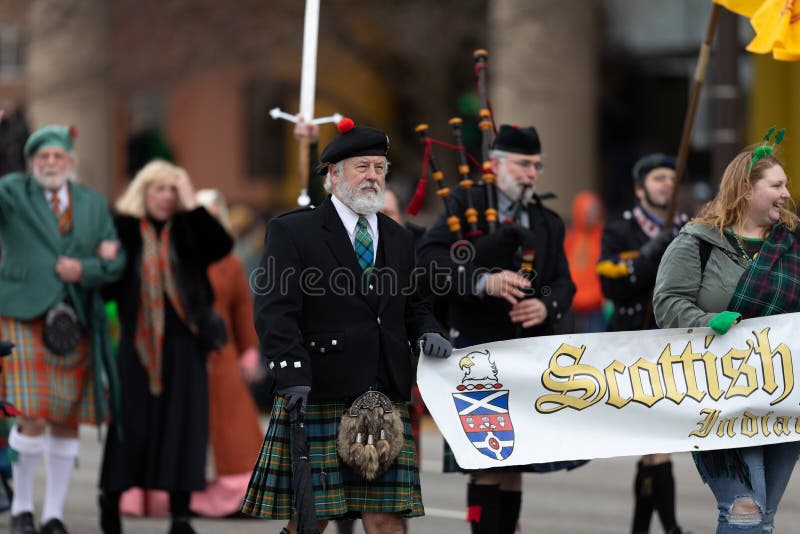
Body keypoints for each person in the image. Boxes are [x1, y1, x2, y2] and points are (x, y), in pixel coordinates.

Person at [241, 118, 451, 534]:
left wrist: (428, 329)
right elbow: (274, 310)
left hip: (384, 391)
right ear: (333, 175)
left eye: (379, 167)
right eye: (362, 167)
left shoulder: (399, 238)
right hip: (320, 387)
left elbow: (412, 304)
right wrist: (291, 372)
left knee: (388, 519)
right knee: (311, 518)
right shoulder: (292, 231)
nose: (373, 176)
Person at [416, 124, 578, 534]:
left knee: (515, 465)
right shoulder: (463, 203)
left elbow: (563, 281)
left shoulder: (547, 221)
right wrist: (482, 281)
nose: (531, 174)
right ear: (496, 164)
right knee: (487, 463)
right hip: (476, 353)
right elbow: (428, 264)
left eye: (536, 166)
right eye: (523, 164)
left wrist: (545, 304)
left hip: (526, 356)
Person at [654, 141, 800, 533]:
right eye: (777, 185)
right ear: (746, 189)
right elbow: (667, 303)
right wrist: (706, 319)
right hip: (717, 395)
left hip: (782, 398)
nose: (786, 194)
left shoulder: (792, 242)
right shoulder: (698, 242)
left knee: (763, 515)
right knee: (745, 510)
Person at [0, 124, 125, 534]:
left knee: (66, 419)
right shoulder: (13, 192)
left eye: (57, 156)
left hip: (74, 319)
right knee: (31, 413)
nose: (50, 163)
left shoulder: (90, 203)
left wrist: (85, 267)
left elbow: (115, 260)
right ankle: (21, 509)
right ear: (31, 163)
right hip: (21, 313)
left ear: (70, 162)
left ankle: (52, 515)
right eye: (42, 157)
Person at [97, 160, 233, 534]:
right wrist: (103, 261)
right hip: (136, 344)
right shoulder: (122, 229)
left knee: (183, 428)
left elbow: (221, 246)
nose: (166, 197)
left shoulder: (188, 229)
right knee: (130, 428)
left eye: (172, 190)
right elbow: (107, 288)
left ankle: (180, 515)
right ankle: (110, 500)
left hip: (185, 344)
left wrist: (192, 204)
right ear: (144, 191)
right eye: (159, 189)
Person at [596, 153, 686, 534]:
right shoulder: (619, 230)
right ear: (639, 188)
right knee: (656, 444)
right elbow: (610, 284)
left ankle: (642, 529)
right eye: (658, 177)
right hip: (631, 345)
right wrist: (650, 255)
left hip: (673, 343)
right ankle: (671, 528)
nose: (666, 183)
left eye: (671, 177)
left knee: (655, 446)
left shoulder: (688, 228)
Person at [190, 189, 264, 517]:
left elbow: (241, 310)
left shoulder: (230, 262)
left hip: (222, 354)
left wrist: (250, 352)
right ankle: (181, 493)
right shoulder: (178, 256)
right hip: (184, 354)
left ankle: (240, 494)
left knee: (234, 426)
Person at [564, 190, 606, 333]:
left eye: (595, 210)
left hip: (597, 307)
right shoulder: (570, 238)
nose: (592, 215)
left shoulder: (604, 237)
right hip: (571, 307)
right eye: (588, 211)